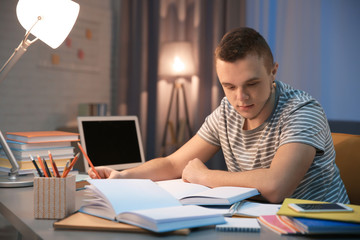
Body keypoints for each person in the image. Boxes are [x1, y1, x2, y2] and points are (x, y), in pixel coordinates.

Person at [89, 27, 349, 204]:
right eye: (230, 86)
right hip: (260, 222)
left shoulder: (303, 111)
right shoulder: (227, 111)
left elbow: (276, 186)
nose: (240, 98)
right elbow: (173, 164)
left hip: (320, 228)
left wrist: (205, 177)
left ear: (273, 72)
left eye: (252, 84)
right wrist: (123, 176)